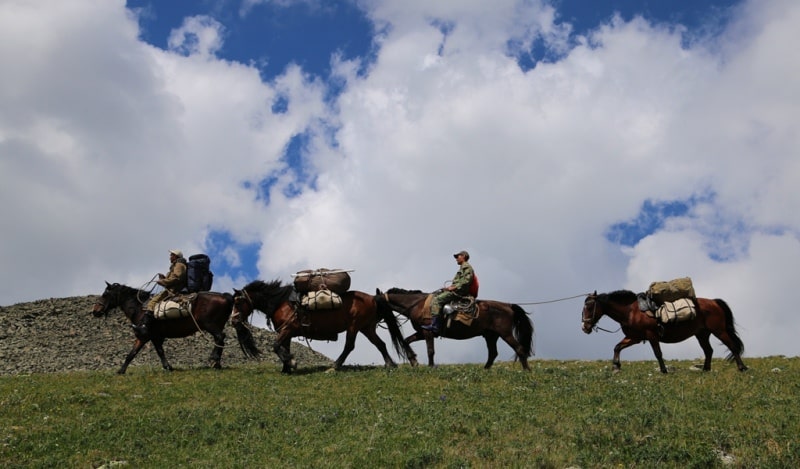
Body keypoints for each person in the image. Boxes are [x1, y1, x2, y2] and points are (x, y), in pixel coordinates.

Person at [132, 249, 188, 336]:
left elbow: (176, 278)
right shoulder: (176, 265)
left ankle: (144, 326)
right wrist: (163, 278)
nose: (170, 257)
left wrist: (162, 282)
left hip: (172, 292)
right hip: (171, 289)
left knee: (152, 302)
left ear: (176, 256)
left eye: (171, 255)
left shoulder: (179, 265)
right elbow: (173, 278)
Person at [422, 250, 475, 333]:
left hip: (459, 292)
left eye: (458, 256)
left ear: (463, 256)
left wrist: (453, 288)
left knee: (437, 300)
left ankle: (435, 325)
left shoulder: (467, 267)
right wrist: (449, 288)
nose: (456, 259)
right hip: (457, 290)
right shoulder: (463, 267)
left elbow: (467, 281)